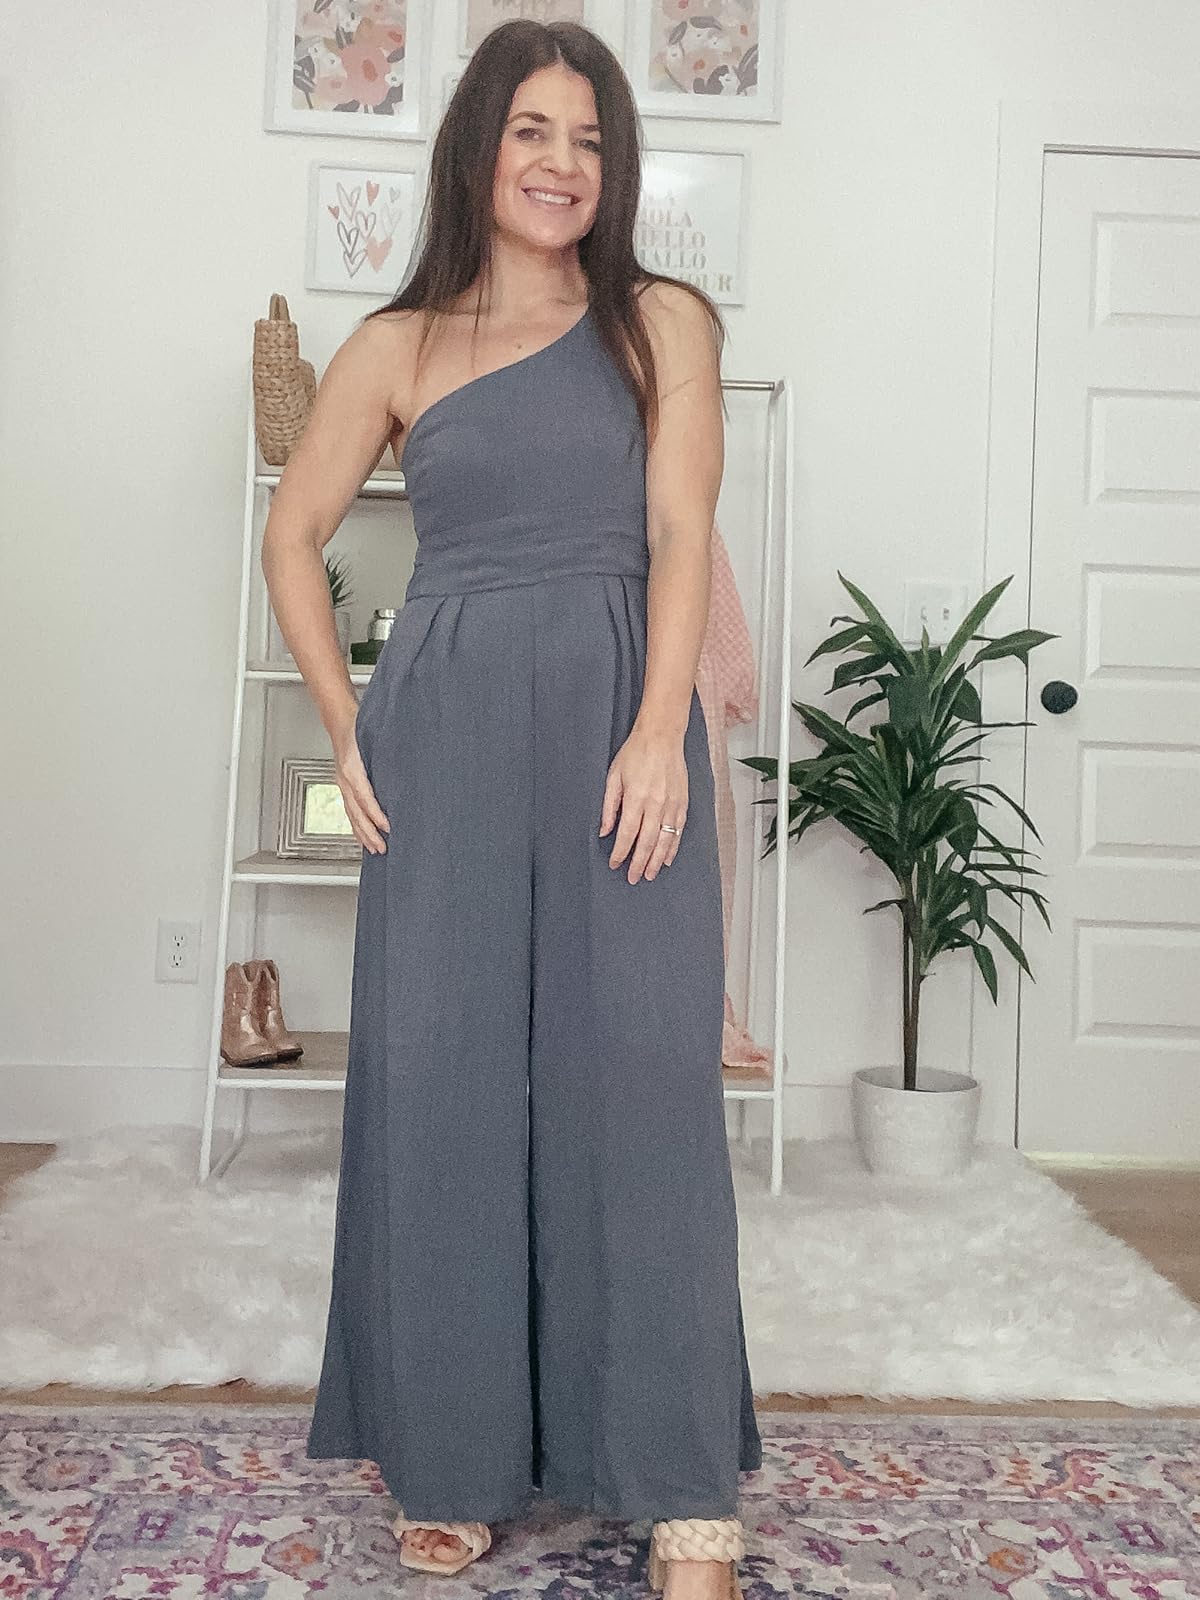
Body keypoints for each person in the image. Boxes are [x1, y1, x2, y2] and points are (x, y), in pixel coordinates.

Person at [261, 19, 762, 1599]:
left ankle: (685, 1490)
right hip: (447, 729)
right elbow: (293, 535)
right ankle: (456, 1456)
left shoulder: (661, 320)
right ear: (477, 146)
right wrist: (347, 723)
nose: (561, 163)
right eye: (533, 131)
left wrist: (661, 731)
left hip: (621, 720)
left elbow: (678, 531)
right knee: (448, 1084)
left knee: (644, 1087)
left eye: (591, 139)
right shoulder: (395, 345)